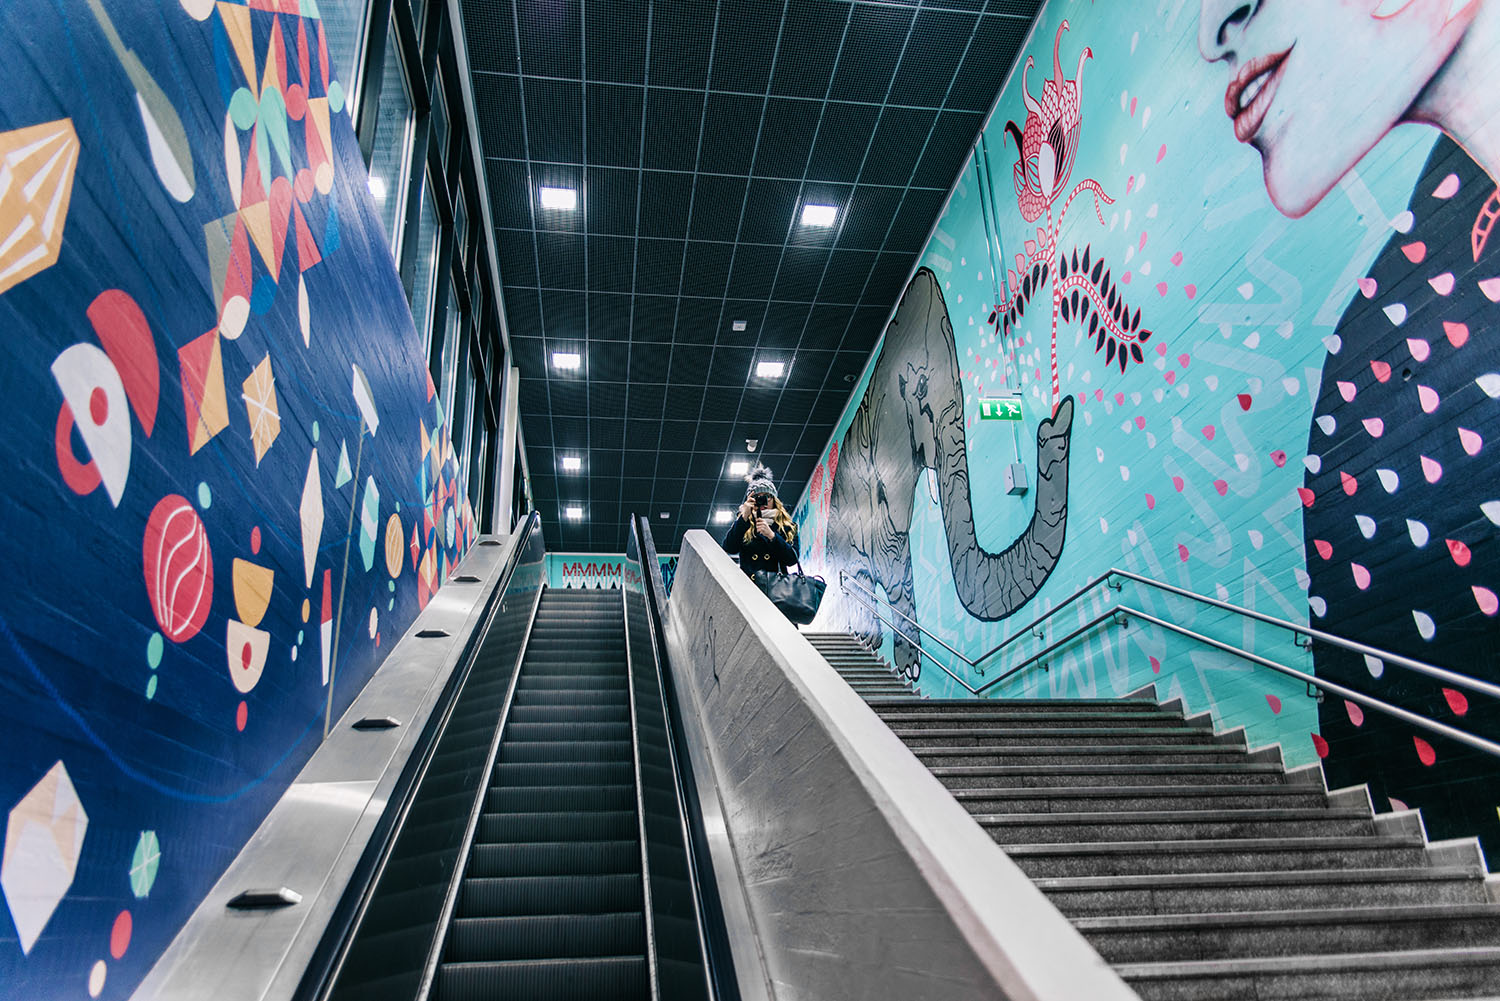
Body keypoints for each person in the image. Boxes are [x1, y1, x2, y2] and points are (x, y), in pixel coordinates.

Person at [721, 463, 799, 576]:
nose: (763, 501)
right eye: (757, 497)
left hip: (776, 589)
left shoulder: (787, 525)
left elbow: (792, 560)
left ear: (774, 499)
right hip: (750, 587)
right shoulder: (745, 523)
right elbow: (729, 548)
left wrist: (772, 536)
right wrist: (744, 518)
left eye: (767, 496)